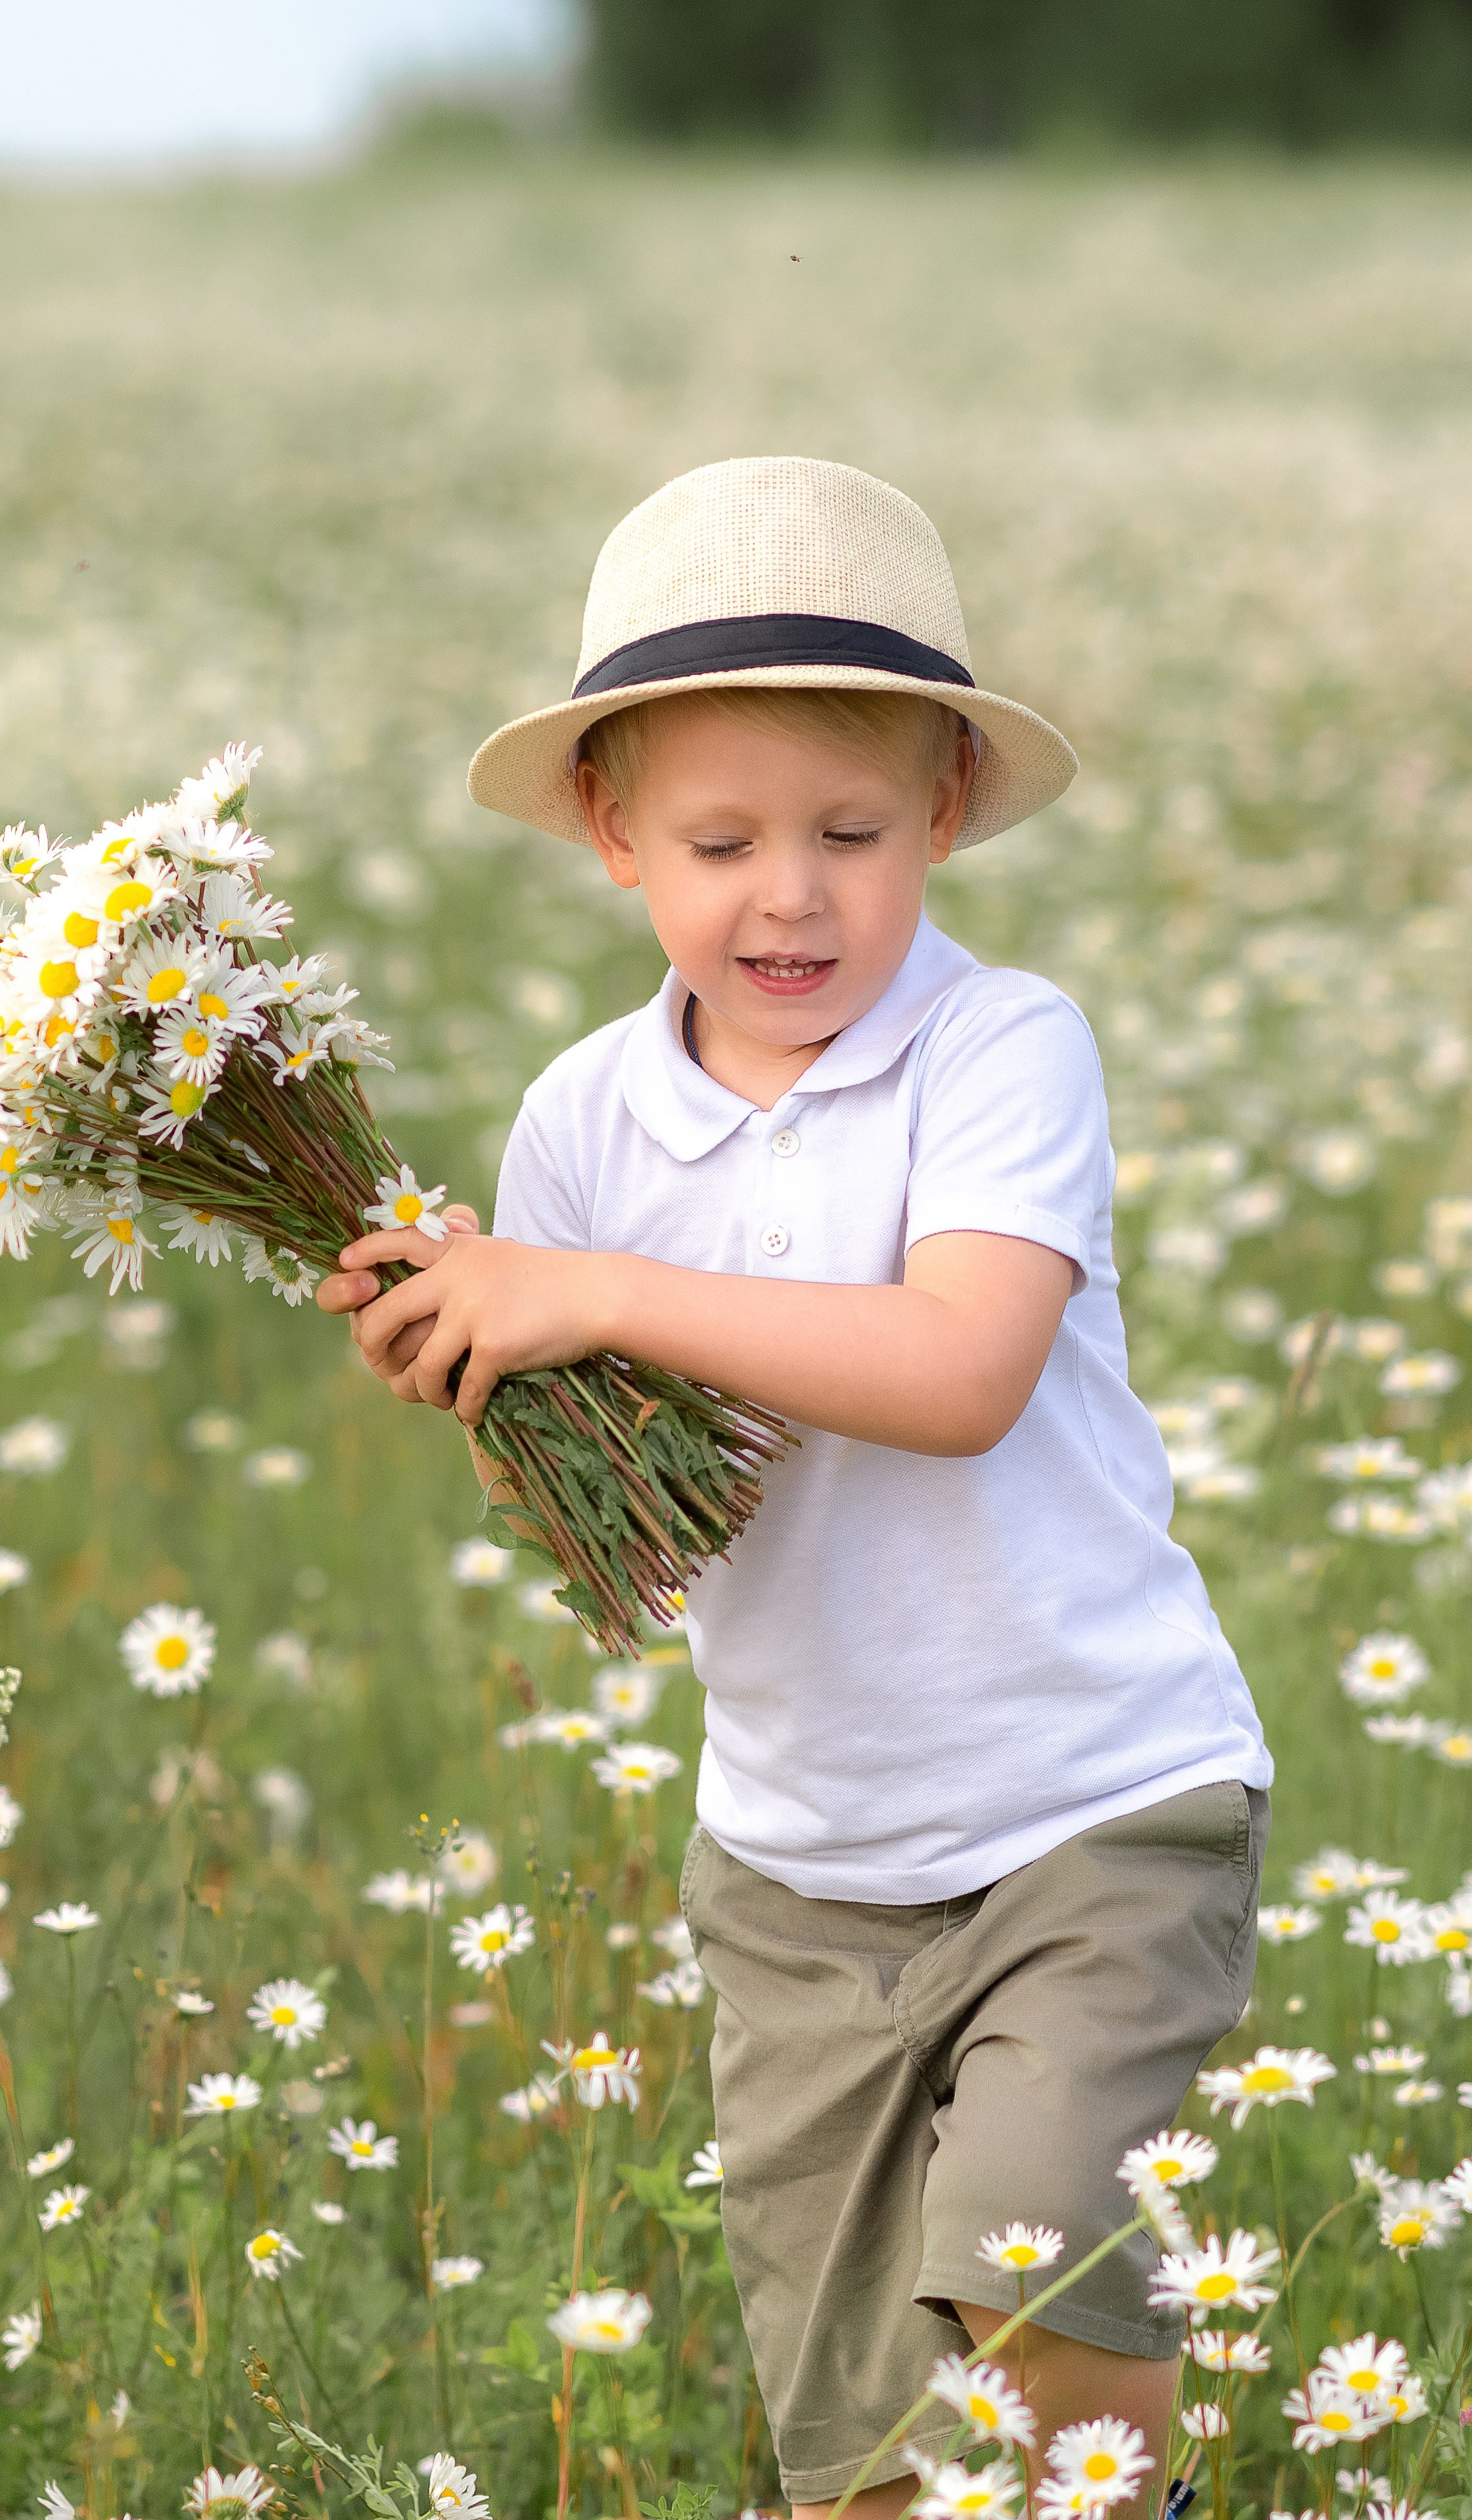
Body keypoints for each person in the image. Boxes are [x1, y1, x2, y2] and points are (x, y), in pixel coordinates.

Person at [317, 458, 1272, 2517]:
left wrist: (589, 1289)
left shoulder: (998, 1048)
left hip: (1090, 1796)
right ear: (609, 833)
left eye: (850, 832)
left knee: (1034, 2252)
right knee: (858, 2455)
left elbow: (959, 1372)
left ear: (940, 803)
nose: (793, 895)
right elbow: (631, 1521)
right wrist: (476, 1363)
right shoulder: (584, 1118)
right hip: (797, 1861)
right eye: (721, 838)